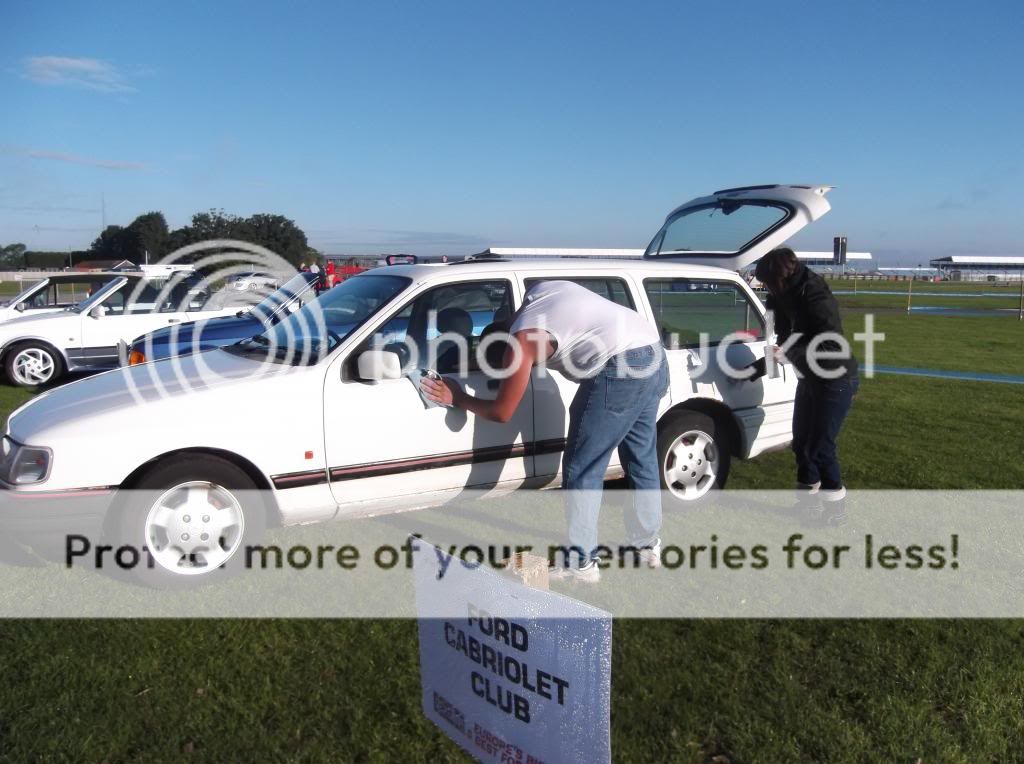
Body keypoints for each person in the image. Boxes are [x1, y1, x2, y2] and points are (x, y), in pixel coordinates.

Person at [420, 280, 668, 583]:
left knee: (583, 466)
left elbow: (502, 412)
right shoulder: (538, 294)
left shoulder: (520, 344)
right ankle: (646, 545)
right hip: (652, 351)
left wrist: (458, 398)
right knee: (640, 455)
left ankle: (581, 563)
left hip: (619, 366)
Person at [749, 248, 859, 499]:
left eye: (767, 283)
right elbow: (784, 340)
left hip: (836, 378)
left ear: (780, 278)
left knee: (820, 448)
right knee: (800, 444)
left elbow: (831, 344)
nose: (765, 288)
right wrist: (755, 370)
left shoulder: (815, 294)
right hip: (809, 377)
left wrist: (790, 354)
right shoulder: (780, 295)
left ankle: (834, 509)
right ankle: (807, 501)